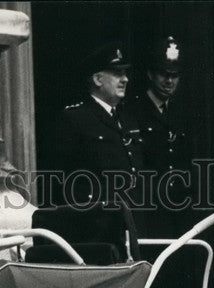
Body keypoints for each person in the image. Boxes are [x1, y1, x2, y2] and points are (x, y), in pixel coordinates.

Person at [46, 42, 146, 245]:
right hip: (95, 230)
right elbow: (58, 180)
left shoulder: (127, 119)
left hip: (132, 225)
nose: (125, 79)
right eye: (117, 73)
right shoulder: (75, 119)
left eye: (125, 73)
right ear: (97, 79)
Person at [132, 35, 192, 237]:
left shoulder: (180, 112)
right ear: (150, 74)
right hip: (149, 208)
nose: (169, 81)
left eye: (174, 75)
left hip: (179, 207)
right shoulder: (133, 110)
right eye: (163, 74)